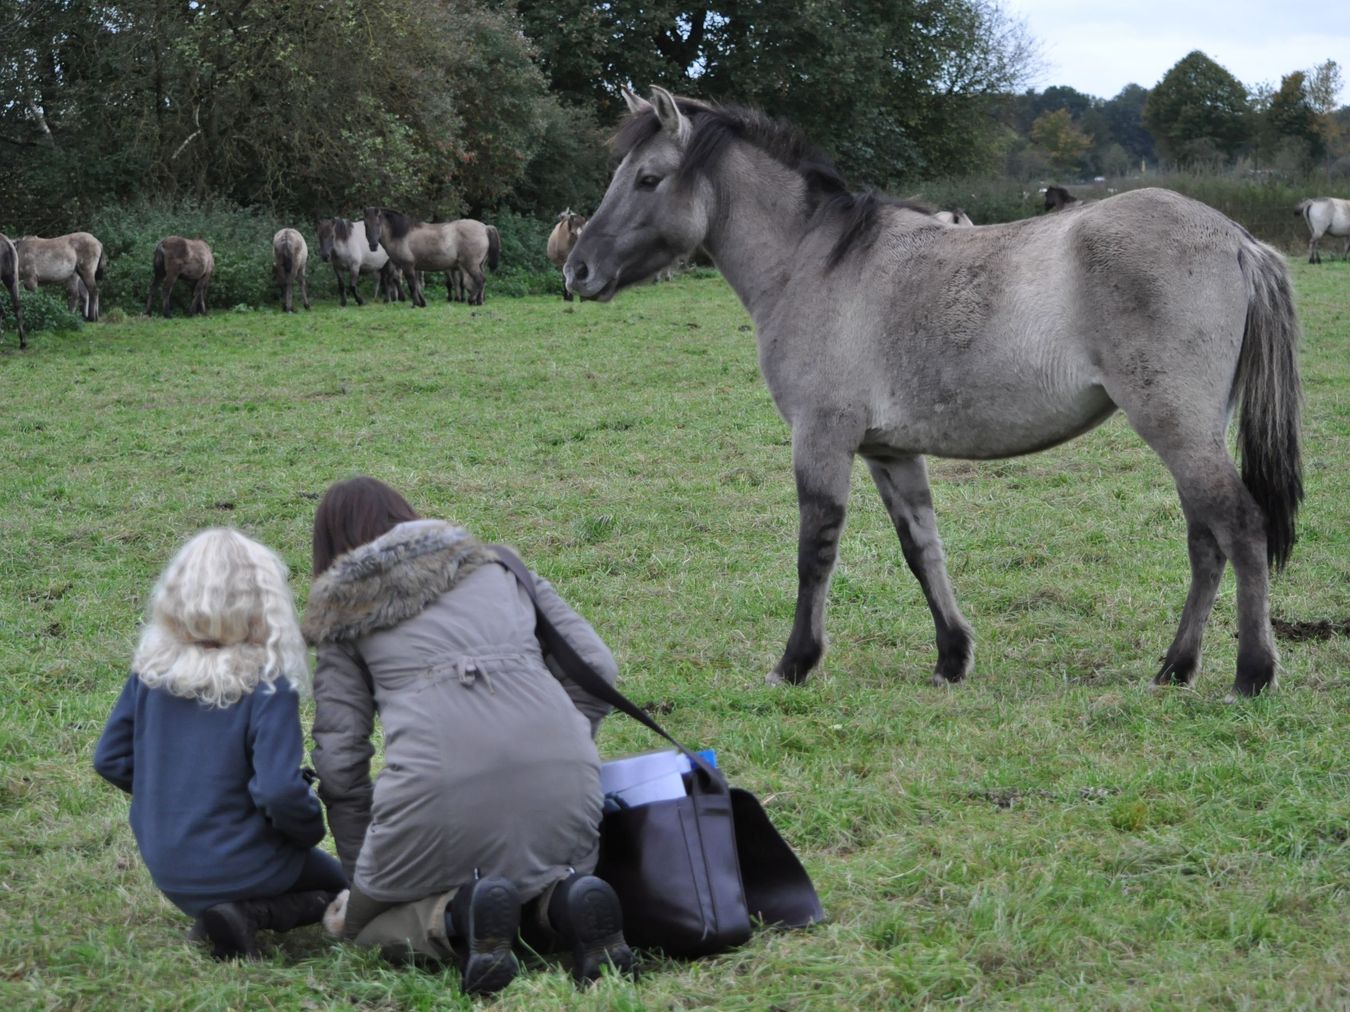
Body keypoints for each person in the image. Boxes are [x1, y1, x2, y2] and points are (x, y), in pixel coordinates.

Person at [303, 476, 635, 995]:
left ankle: (456, 917)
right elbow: (597, 666)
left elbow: (341, 762)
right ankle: (565, 905)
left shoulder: (342, 615)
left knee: (361, 927)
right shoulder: (501, 566)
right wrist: (565, 748)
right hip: (565, 780)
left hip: (435, 798)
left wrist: (362, 879)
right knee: (532, 883)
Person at [93, 528, 346, 960]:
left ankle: (217, 916)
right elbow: (279, 791)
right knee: (350, 883)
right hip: (248, 861)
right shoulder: (268, 684)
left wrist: (173, 798)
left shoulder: (151, 673)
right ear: (265, 602)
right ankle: (249, 913)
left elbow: (110, 759)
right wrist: (310, 829)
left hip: (169, 866)